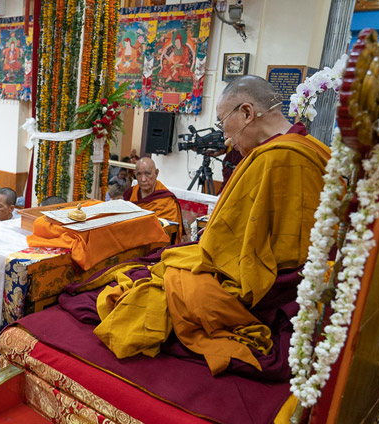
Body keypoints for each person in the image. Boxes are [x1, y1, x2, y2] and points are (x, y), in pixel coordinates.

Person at [92, 76, 331, 375]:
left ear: (246, 113)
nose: (225, 136)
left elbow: (272, 255)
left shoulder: (281, 158)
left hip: (264, 287)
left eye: (222, 122)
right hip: (288, 275)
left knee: (171, 284)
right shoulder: (313, 147)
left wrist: (209, 249)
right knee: (167, 268)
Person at [123, 157, 184, 236]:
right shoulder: (130, 193)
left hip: (156, 243)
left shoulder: (167, 199)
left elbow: (169, 231)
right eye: (139, 174)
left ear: (156, 173)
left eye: (148, 173)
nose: (143, 179)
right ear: (135, 174)